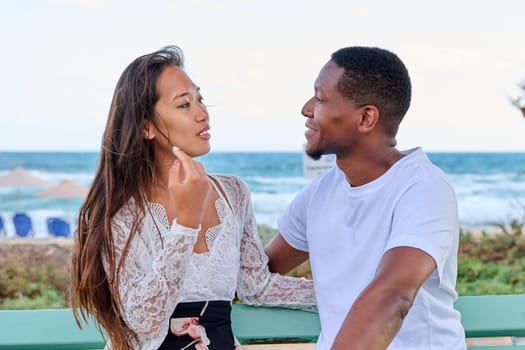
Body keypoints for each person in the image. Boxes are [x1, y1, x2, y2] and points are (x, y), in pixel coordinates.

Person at [70, 45, 315, 350]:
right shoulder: (121, 211)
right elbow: (144, 320)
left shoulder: (233, 193)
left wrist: (358, 292)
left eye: (200, 99)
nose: (202, 113)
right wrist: (186, 224)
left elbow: (257, 286)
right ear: (146, 127)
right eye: (184, 105)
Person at [265, 46, 466, 349]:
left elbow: (393, 296)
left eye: (320, 98)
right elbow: (259, 270)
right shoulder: (319, 194)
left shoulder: (424, 189)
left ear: (366, 118)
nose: (306, 109)